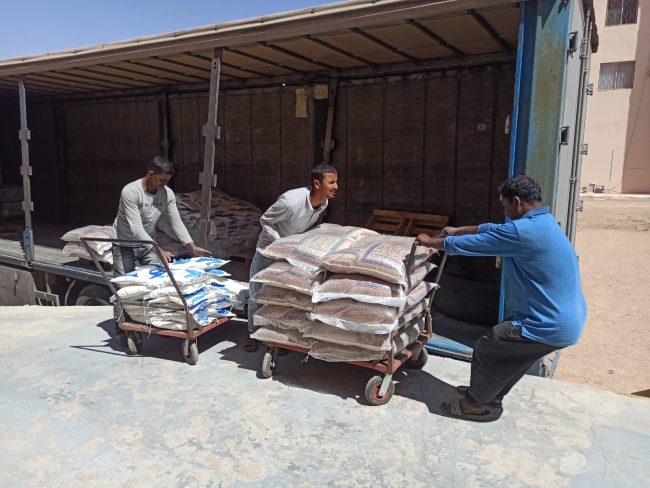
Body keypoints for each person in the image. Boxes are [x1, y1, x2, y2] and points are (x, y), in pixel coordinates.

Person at [418, 175, 587, 422]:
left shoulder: (524, 232)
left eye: (505, 205)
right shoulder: (543, 222)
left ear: (517, 201)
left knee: (489, 345)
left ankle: (474, 405)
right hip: (567, 320)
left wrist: (431, 242)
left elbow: (476, 244)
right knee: (512, 356)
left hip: (549, 323)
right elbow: (493, 229)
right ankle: (490, 396)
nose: (504, 211)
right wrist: (458, 230)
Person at [244, 164, 338, 352]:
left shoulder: (324, 203)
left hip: (291, 254)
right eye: (332, 182)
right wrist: (280, 244)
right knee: (257, 292)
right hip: (269, 250)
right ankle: (252, 333)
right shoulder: (291, 202)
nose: (336, 186)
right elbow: (265, 220)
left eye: (336, 182)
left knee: (283, 295)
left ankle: (276, 336)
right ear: (317, 184)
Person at [112, 156, 211, 276]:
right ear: (151, 174)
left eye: (167, 181)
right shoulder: (131, 191)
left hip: (148, 244)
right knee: (124, 281)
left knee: (157, 277)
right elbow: (136, 228)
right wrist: (159, 251)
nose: (165, 184)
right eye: (162, 180)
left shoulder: (167, 194)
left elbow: (176, 222)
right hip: (125, 243)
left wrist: (192, 247)